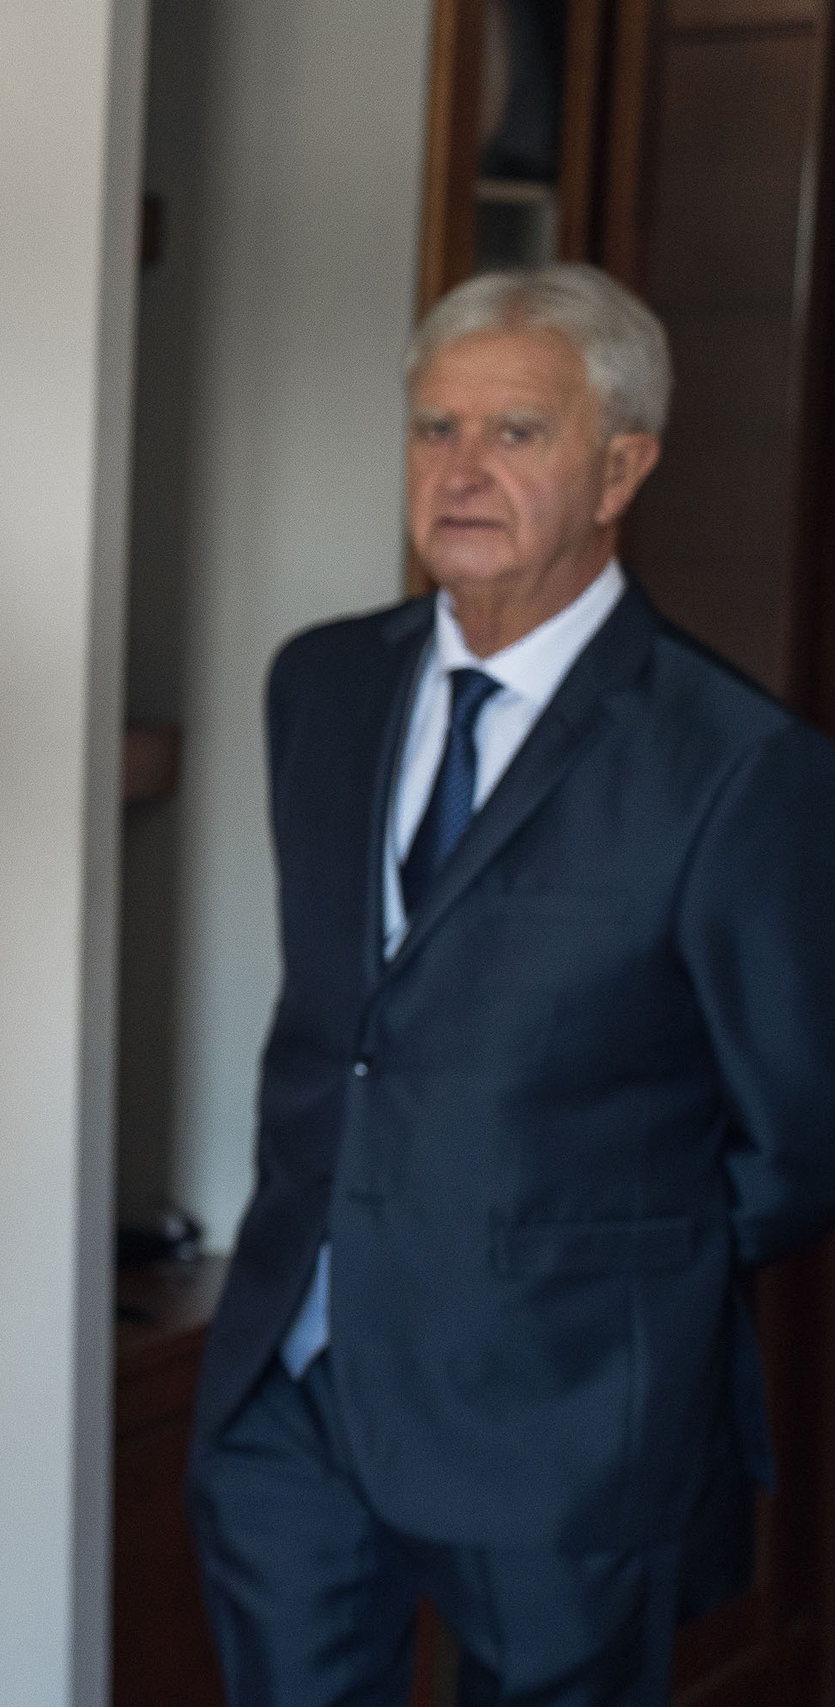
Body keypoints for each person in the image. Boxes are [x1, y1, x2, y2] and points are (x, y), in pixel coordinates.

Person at [187, 262, 835, 1705]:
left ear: (623, 467)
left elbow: (796, 1140)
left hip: (565, 1426)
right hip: (294, 1390)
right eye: (434, 430)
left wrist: (587, 1282)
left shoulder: (735, 766)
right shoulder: (322, 686)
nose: (461, 471)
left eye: (516, 434)